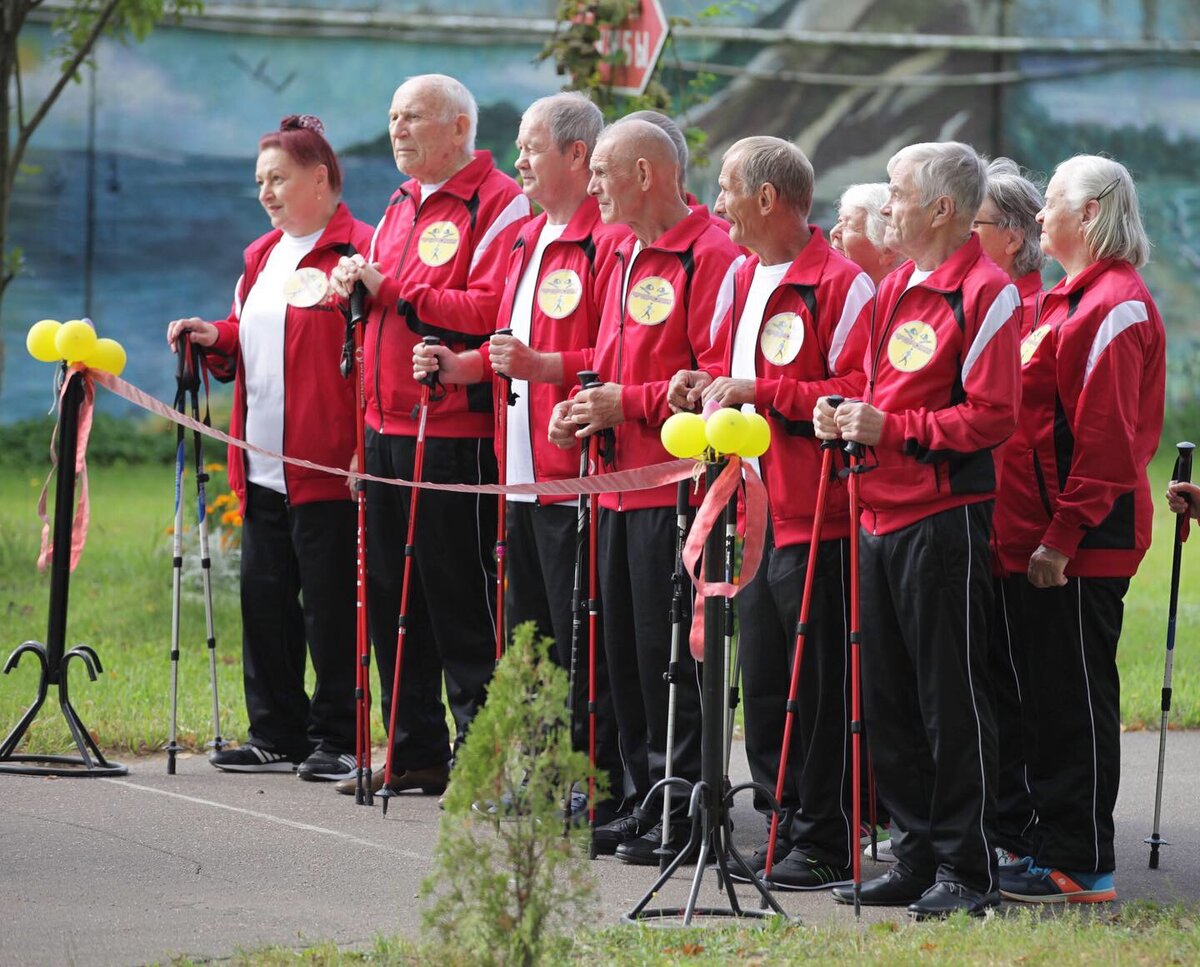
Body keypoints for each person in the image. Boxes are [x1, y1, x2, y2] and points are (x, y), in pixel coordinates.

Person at [813, 141, 1021, 919]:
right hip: (874, 510)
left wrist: (890, 427)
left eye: (898, 194)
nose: (885, 206)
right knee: (889, 695)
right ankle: (914, 853)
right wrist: (841, 414)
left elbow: (993, 415)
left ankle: (968, 869)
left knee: (950, 697)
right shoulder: (896, 282)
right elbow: (874, 386)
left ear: (940, 208)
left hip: (941, 520)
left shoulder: (987, 290)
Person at [411, 91, 626, 821]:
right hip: (520, 473)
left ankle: (591, 780)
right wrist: (459, 365)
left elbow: (618, 356)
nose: (520, 160)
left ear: (577, 155)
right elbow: (507, 351)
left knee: (581, 637)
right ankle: (531, 771)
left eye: (533, 146)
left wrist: (548, 366)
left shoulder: (610, 243)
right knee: (528, 638)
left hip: (583, 477)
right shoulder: (525, 239)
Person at [668, 137, 872, 890]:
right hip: (743, 513)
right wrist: (704, 384)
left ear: (766, 198)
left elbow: (858, 386)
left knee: (814, 684)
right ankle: (784, 825)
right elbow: (731, 375)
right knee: (764, 678)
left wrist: (764, 394)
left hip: (813, 513)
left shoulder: (843, 284)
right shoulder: (740, 277)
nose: (716, 205)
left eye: (725, 190)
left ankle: (825, 836)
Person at [329, 74, 530, 798]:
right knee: (392, 596)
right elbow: (382, 303)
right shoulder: (397, 202)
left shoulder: (500, 203)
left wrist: (395, 291)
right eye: (391, 117)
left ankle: (483, 757)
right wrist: (355, 284)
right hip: (384, 428)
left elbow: (489, 310)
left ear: (456, 127)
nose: (397, 128)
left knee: (458, 601)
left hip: (454, 432)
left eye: (412, 117)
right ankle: (414, 749)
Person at [549, 118, 741, 863]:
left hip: (676, 493)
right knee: (622, 653)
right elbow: (604, 357)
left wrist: (625, 402)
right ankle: (639, 798)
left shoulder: (710, 253)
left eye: (601, 170)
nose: (591, 184)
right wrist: (580, 410)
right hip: (614, 486)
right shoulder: (620, 249)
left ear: (644, 173)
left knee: (675, 660)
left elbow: (712, 375)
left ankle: (687, 807)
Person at [166, 115, 373, 781]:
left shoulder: (359, 253)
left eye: (278, 178)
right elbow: (253, 338)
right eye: (260, 181)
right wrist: (214, 335)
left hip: (329, 467)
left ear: (321, 179)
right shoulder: (261, 255)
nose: (267, 192)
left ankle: (341, 735)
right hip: (260, 462)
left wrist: (366, 450)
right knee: (265, 597)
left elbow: (379, 359)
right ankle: (274, 731)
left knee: (333, 605)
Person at [993, 155, 1165, 904]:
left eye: (1051, 202)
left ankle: (1081, 860)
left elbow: (1107, 442)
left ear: (1090, 210)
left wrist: (1061, 536)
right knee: (1050, 696)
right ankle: (1053, 844)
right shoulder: (1070, 300)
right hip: (1047, 532)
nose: (1039, 217)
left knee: (1073, 698)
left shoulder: (1113, 305)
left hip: (1081, 541)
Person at [975, 156, 1045, 867]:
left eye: (980, 222)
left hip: (1019, 526)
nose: (967, 232)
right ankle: (992, 824)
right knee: (985, 680)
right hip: (980, 520)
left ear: (1017, 236)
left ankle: (1017, 831)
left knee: (1015, 686)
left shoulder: (1035, 312)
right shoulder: (988, 299)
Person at [830, 183, 904, 285]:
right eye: (839, 221)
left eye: (849, 227)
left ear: (888, 251)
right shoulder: (830, 291)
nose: (834, 233)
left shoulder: (911, 298)